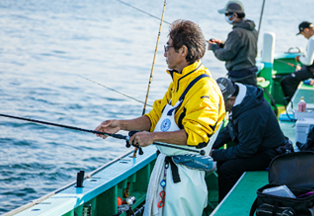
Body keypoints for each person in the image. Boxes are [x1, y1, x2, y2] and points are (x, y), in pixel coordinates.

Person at [95, 20, 225, 216]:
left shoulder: (204, 88)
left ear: (183, 51)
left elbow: (197, 136)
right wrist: (120, 124)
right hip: (166, 171)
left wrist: (153, 137)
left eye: (168, 47)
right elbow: (155, 117)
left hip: (184, 181)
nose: (165, 53)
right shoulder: (179, 80)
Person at [211, 77, 293, 202]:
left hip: (271, 153)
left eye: (220, 104)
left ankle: (228, 204)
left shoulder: (250, 114)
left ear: (232, 99)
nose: (219, 108)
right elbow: (230, 129)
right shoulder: (244, 98)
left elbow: (246, 150)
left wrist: (214, 154)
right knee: (223, 163)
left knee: (227, 169)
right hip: (258, 147)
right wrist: (211, 144)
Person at [208, 0, 259, 86]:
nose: (226, 17)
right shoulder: (252, 30)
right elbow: (241, 46)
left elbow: (226, 55)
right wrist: (222, 43)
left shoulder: (236, 33)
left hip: (239, 77)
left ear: (234, 15)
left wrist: (213, 47)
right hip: (250, 75)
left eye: (227, 14)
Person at [280, 21, 314, 100]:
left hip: (313, 71)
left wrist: (299, 58)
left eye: (303, 34)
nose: (304, 37)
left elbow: (308, 61)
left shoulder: (313, 40)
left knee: (285, 81)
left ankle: (292, 103)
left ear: (306, 30)